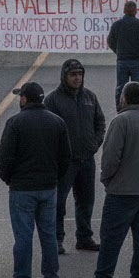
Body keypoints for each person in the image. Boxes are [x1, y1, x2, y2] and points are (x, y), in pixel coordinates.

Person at [79, 83, 139, 278]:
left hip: (122, 190)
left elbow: (110, 158)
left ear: (124, 98)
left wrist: (107, 180)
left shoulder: (120, 121)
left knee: (110, 239)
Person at [0, 82, 71, 278]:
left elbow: (5, 157)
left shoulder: (15, 123)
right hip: (48, 188)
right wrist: (54, 177)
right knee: (48, 236)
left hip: (22, 189)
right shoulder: (57, 122)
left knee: (23, 237)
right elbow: (66, 156)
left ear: (25, 99)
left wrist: (9, 179)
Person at [44, 59, 105, 254]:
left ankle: (84, 237)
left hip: (86, 159)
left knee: (86, 201)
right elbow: (48, 129)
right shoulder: (53, 100)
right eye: (73, 74)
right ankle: (56, 239)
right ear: (65, 76)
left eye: (80, 74)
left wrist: (95, 143)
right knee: (59, 202)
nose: (77, 78)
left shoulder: (90, 97)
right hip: (65, 162)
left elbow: (100, 122)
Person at [107, 0, 139, 110]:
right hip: (136, 60)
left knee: (121, 87)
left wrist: (118, 52)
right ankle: (137, 109)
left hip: (122, 59)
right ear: (135, 11)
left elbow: (110, 41)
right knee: (138, 87)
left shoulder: (117, 24)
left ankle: (120, 108)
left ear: (124, 10)